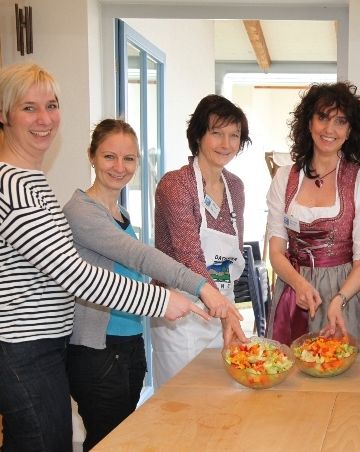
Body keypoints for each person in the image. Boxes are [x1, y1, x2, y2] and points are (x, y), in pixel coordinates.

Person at [0, 63, 208, 451]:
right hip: (23, 346)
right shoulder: (13, 186)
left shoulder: (33, 181)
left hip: (47, 343)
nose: (44, 118)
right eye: (29, 108)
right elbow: (77, 276)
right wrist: (166, 299)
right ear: (3, 114)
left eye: (52, 105)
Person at [62, 119, 245, 450]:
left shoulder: (119, 213)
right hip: (97, 348)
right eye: (109, 157)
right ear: (91, 156)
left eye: (129, 158)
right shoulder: (81, 212)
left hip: (128, 342)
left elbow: (130, 272)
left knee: (123, 436)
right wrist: (203, 288)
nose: (120, 167)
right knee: (108, 441)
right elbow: (140, 257)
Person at [265, 81, 360, 352]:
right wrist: (298, 284)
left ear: (350, 130)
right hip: (293, 291)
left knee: (345, 375)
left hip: (347, 294)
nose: (329, 129)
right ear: (309, 123)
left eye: (340, 121)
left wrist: (340, 299)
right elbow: (276, 251)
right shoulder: (284, 178)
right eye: (322, 117)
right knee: (292, 377)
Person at [151, 94, 250, 387]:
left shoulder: (235, 187)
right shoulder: (175, 184)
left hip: (221, 304)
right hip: (180, 311)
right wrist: (222, 307)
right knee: (181, 401)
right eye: (216, 132)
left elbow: (235, 256)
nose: (226, 143)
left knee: (221, 399)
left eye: (234, 135)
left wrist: (228, 308)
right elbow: (189, 256)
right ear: (198, 135)